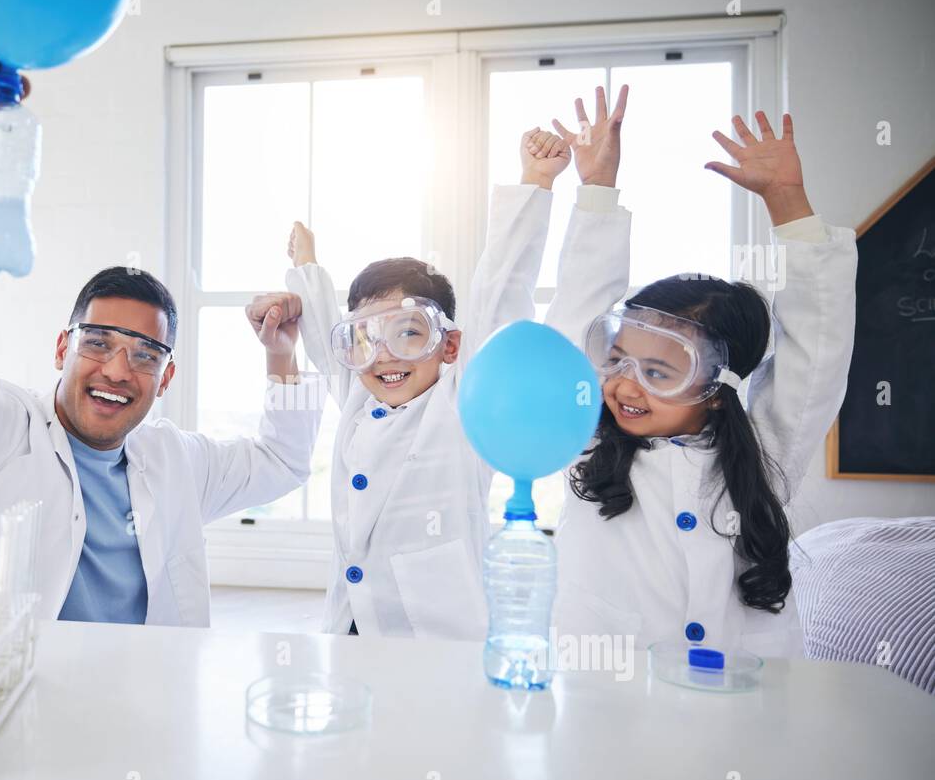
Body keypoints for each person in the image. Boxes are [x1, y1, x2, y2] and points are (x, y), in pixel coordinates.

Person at [0, 34, 321, 625]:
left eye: (145, 355)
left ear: (168, 375)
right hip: (9, 705)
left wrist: (282, 354)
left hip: (145, 707)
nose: (116, 370)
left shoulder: (176, 462)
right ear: (63, 346)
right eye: (98, 342)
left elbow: (282, 463)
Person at [277, 112, 630, 640]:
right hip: (349, 627)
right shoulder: (356, 391)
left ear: (451, 344)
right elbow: (326, 334)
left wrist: (537, 183)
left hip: (442, 637)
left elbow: (501, 287)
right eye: (368, 338)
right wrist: (306, 266)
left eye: (410, 333)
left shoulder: (461, 402)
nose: (386, 356)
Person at [545, 104, 859, 658]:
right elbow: (578, 313)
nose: (625, 384)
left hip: (739, 711)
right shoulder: (590, 443)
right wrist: (596, 190)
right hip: (606, 705)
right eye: (617, 359)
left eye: (661, 371)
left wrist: (788, 203)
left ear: (718, 387)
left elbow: (818, 353)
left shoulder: (764, 452)